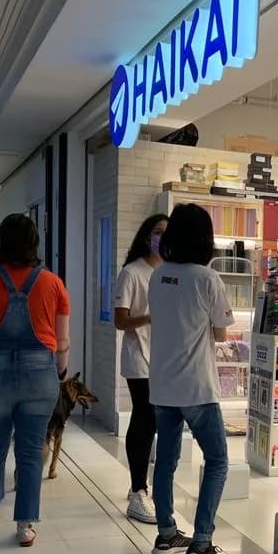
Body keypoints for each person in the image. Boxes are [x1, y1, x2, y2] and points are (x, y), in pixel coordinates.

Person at [0, 213, 70, 548]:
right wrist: (59, 371)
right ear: (34, 242)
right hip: (41, 375)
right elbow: (63, 342)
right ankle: (25, 525)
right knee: (31, 450)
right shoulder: (53, 283)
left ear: (1, 241)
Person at [148, 203, 234, 554]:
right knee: (216, 461)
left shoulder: (158, 275)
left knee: (165, 462)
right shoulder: (207, 278)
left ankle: (166, 532)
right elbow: (221, 332)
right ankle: (201, 543)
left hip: (162, 385)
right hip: (197, 387)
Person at [114, 213, 167, 524]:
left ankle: (141, 483)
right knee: (145, 419)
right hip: (139, 358)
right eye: (157, 232)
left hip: (165, 359)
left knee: (156, 421)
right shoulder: (132, 273)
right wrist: (149, 317)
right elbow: (121, 321)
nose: (161, 238)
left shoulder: (171, 273)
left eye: (167, 233)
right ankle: (137, 491)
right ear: (147, 235)